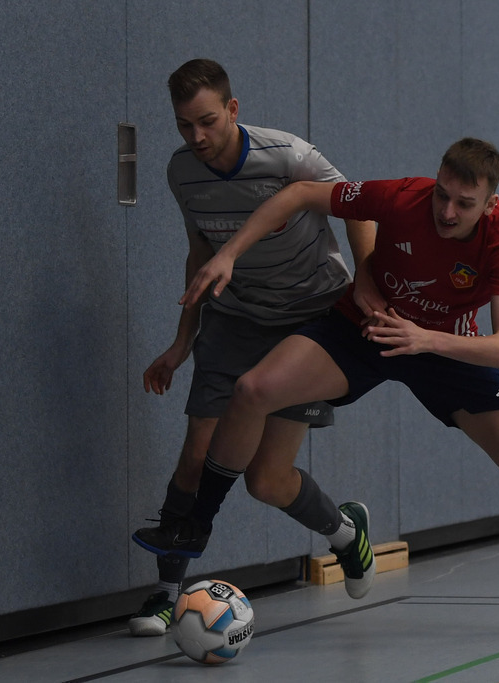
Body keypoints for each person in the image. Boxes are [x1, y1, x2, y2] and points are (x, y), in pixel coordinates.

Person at [136, 137, 499, 637]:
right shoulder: (403, 197)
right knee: (252, 390)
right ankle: (197, 526)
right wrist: (230, 255)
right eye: (442, 194)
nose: (448, 211)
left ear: (490, 204)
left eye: (464, 203)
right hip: (365, 330)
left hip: (443, 348)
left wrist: (424, 339)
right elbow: (301, 192)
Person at [128, 58, 382, 637]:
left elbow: (360, 209)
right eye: (183, 126)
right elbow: (201, 256)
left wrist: (365, 284)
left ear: (233, 110)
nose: (196, 137)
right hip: (235, 318)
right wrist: (180, 343)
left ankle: (345, 533)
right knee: (197, 449)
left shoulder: (289, 156)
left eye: (208, 122)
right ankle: (168, 592)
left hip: (309, 323)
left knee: (266, 479)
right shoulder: (181, 172)